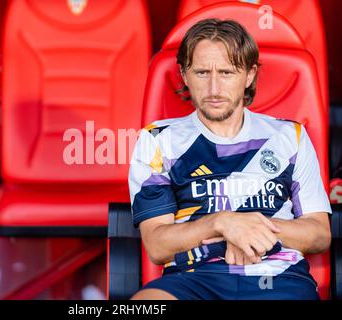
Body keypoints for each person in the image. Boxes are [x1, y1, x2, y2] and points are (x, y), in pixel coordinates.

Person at [128, 18, 332, 300]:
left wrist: (248, 228)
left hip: (276, 278)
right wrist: (221, 223)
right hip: (193, 280)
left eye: (226, 72)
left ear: (249, 75)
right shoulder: (157, 140)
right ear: (185, 75)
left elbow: (320, 234)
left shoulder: (289, 135)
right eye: (201, 72)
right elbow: (157, 245)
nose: (213, 88)